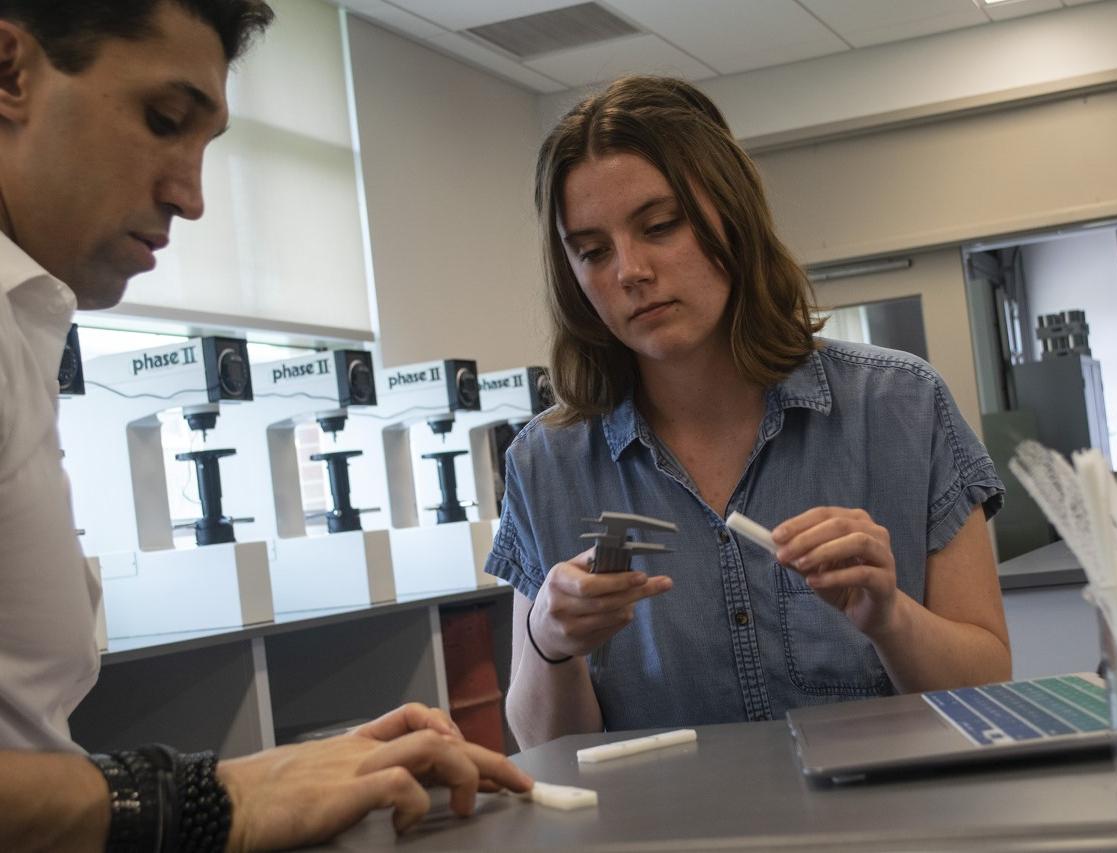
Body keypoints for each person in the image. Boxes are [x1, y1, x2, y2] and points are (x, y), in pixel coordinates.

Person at [0, 1, 531, 849]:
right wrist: (208, 801)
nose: (193, 196)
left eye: (204, 145)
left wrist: (239, 779)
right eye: (162, 120)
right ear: (10, 72)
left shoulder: (27, 325)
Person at [486, 75, 1013, 750]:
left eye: (659, 226)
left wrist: (889, 617)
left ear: (730, 218)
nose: (629, 270)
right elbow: (546, 751)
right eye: (591, 251)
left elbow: (990, 685)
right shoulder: (547, 462)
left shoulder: (901, 407)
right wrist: (550, 639)